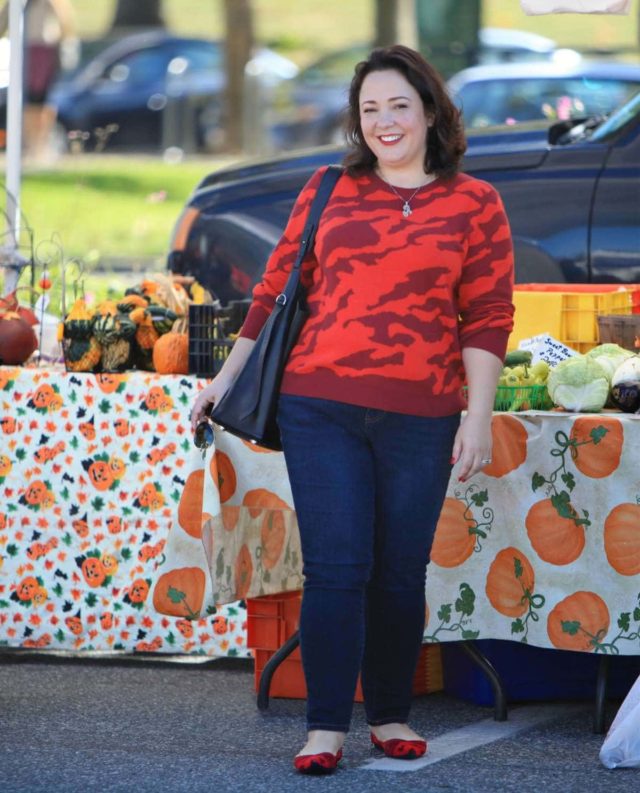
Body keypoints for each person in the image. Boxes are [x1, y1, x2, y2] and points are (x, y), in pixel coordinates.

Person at [191, 44, 514, 775]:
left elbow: (489, 314)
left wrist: (478, 413)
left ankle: (392, 712)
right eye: (370, 109)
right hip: (320, 405)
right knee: (338, 568)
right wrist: (223, 377)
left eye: (399, 105)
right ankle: (326, 725)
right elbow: (275, 290)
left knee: (399, 573)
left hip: (425, 411)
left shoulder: (476, 203)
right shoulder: (329, 188)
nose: (384, 121)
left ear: (431, 112)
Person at [0, 0, 76, 159]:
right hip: (23, 49)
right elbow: (4, 20)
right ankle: (30, 145)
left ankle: (40, 146)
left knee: (40, 102)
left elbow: (64, 23)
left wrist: (63, 46)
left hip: (44, 50)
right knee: (27, 102)